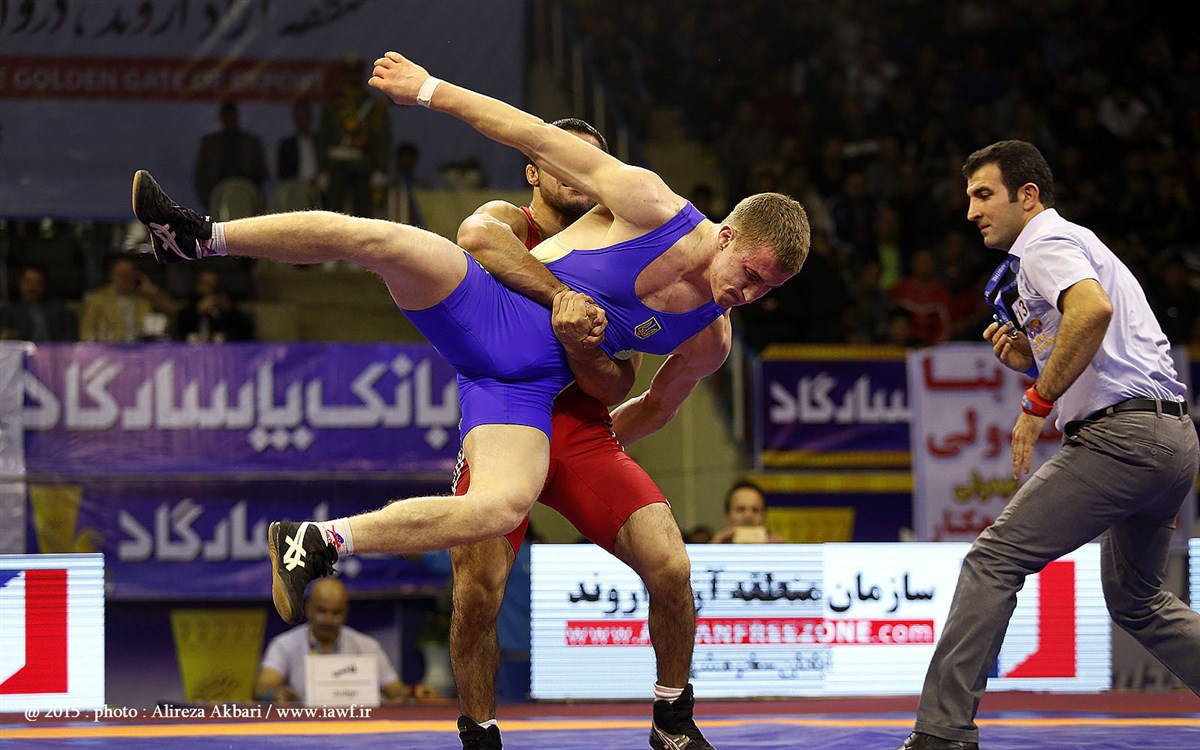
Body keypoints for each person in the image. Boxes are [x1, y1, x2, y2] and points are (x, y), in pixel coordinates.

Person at [130, 48, 808, 707]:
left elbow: (652, 404)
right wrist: (427, 90)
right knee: (383, 240)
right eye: (749, 274)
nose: (748, 294)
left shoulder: (712, 335)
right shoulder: (645, 203)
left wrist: (589, 439)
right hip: (490, 312)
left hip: (527, 394)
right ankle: (197, 236)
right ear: (726, 235)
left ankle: (319, 540)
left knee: (501, 508)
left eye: (766, 290)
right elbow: (526, 132)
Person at [897, 140, 1199, 750]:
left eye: (984, 195)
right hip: (1172, 439)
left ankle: (942, 734)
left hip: (1124, 439)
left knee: (992, 560)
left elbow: (1092, 311)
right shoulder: (1076, 242)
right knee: (1137, 598)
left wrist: (1037, 403)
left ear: (1027, 196)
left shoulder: (1043, 243)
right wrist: (1031, 363)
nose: (971, 211)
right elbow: (1101, 344)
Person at [448, 119, 720, 749]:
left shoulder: (630, 248)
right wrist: (562, 297)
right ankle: (480, 735)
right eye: (559, 158)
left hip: (580, 431)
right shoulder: (510, 221)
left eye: (586, 161)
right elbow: (477, 238)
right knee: (477, 590)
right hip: (503, 417)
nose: (574, 170)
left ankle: (672, 719)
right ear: (533, 169)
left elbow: (624, 386)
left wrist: (594, 382)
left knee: (671, 564)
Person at [253, 578, 410, 705]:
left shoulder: (368, 646)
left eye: (336, 613)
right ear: (308, 609)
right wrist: (274, 694)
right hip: (305, 724)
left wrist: (412, 693)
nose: (328, 619)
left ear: (345, 613)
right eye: (321, 610)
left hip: (357, 724)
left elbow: (395, 690)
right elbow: (262, 688)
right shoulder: (284, 645)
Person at [317, 53, 392, 217]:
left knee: (363, 214)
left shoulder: (374, 104)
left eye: (355, 71)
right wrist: (322, 169)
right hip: (336, 165)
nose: (352, 76)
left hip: (363, 165)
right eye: (349, 72)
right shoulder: (333, 104)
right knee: (333, 214)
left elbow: (383, 139)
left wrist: (381, 169)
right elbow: (323, 138)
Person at [79, 257, 177, 343]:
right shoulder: (97, 299)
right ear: (112, 276)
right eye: (120, 274)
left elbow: (172, 311)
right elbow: (85, 333)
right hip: (110, 351)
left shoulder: (145, 298)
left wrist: (151, 290)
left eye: (128, 274)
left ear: (136, 276)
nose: (124, 278)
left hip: (142, 350)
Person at [193, 100, 268, 213]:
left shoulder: (251, 142)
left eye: (232, 117)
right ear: (222, 118)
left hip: (246, 194)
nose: (230, 120)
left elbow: (261, 171)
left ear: (237, 117)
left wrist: (249, 191)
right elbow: (201, 174)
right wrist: (208, 199)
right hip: (217, 194)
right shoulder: (209, 143)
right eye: (227, 117)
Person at [0, 264, 78, 342]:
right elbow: (5, 336)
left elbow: (70, 336)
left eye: (37, 283)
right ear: (20, 283)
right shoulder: (9, 311)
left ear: (44, 284)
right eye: (28, 282)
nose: (32, 287)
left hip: (54, 348)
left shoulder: (59, 309)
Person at [175, 269, 255, 343]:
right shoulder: (187, 312)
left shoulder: (228, 309)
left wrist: (229, 311)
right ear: (197, 286)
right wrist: (198, 311)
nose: (208, 289)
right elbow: (180, 335)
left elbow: (245, 335)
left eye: (212, 286)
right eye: (204, 284)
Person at [710, 479, 784, 544]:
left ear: (764, 517)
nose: (748, 516)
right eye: (740, 509)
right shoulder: (715, 550)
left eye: (755, 510)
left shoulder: (776, 550)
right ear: (727, 517)